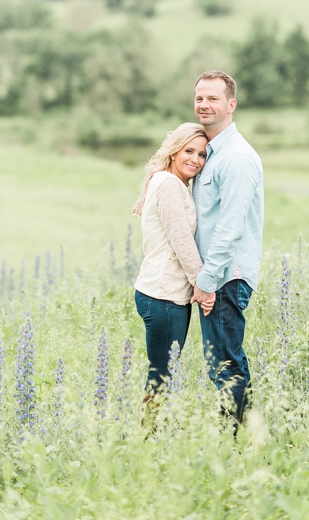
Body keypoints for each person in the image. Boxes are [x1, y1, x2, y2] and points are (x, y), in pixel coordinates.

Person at [190, 70, 264, 427]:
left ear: (231, 105)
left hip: (225, 277)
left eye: (213, 98)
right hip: (217, 276)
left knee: (225, 364)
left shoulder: (235, 157)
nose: (204, 104)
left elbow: (230, 228)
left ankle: (234, 441)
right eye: (200, 98)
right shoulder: (213, 152)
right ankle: (245, 433)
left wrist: (205, 280)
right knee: (222, 361)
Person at [132, 123, 214, 423]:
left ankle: (155, 434)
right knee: (162, 377)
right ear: (173, 151)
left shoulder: (169, 182)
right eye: (189, 151)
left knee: (164, 373)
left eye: (202, 154)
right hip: (162, 295)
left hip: (164, 295)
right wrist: (202, 284)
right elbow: (181, 240)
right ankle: (150, 439)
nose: (195, 159)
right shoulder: (168, 184)